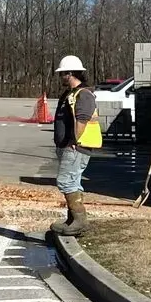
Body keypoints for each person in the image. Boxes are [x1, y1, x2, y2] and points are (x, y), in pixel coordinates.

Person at [51, 54, 102, 236]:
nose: (60, 77)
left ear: (70, 73)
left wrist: (74, 141)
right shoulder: (70, 94)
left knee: (65, 181)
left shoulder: (84, 95)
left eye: (62, 73)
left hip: (76, 147)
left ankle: (80, 221)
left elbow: (82, 120)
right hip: (67, 146)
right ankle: (72, 220)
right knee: (73, 182)